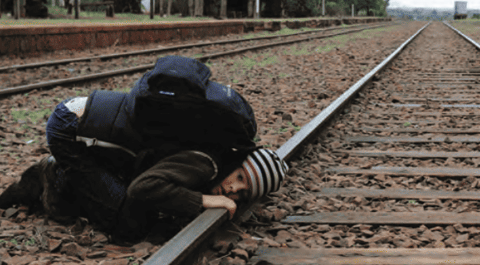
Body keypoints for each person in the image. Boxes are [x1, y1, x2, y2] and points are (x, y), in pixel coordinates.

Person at [0, 56, 288, 240]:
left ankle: (69, 174)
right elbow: (143, 188)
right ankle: (53, 176)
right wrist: (202, 201)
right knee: (127, 222)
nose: (233, 191)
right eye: (239, 178)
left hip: (80, 115)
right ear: (237, 161)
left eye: (243, 192)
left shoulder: (213, 153)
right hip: (69, 130)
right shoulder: (206, 163)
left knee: (139, 204)